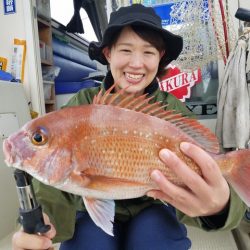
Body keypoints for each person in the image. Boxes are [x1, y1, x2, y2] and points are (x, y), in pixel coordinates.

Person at [12, 4, 246, 250]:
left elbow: (204, 170)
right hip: (90, 207)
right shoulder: (82, 106)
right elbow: (55, 185)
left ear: (160, 58)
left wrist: (220, 206)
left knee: (155, 239)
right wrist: (44, 220)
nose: (136, 63)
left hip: (156, 206)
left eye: (148, 52)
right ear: (108, 54)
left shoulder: (171, 112)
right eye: (125, 49)